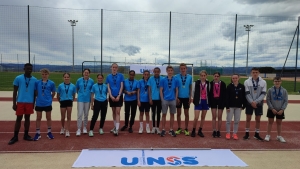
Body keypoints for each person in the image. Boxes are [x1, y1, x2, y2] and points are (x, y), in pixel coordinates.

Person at [9, 63, 37, 145]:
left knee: (27, 118)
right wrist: (14, 103)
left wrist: (33, 103)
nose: (29, 70)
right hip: (20, 101)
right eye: (28, 68)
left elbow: (35, 94)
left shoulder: (34, 80)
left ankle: (26, 134)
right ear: (24, 69)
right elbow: (15, 92)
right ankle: (15, 136)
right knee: (18, 119)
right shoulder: (18, 78)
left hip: (29, 102)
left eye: (31, 69)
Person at [243, 67, 267, 141]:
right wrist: (251, 102)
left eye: (256, 72)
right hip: (249, 103)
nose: (255, 74)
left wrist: (256, 102)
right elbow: (246, 93)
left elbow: (263, 93)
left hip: (258, 103)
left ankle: (257, 134)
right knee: (248, 118)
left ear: (259, 73)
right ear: (251, 73)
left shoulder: (263, 82)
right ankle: (247, 133)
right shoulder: (247, 82)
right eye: (253, 72)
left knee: (258, 119)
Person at [33, 68, 56, 141]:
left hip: (47, 103)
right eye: (43, 74)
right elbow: (35, 92)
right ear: (41, 74)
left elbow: (53, 92)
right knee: (38, 117)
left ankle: (49, 132)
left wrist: (49, 99)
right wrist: (39, 97)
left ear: (48, 75)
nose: (44, 75)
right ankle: (37, 133)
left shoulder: (51, 83)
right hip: (39, 103)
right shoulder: (37, 82)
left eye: (46, 74)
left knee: (48, 117)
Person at [265, 77, 288, 143]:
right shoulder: (270, 90)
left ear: (281, 82)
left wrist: (282, 109)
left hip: (280, 109)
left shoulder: (284, 90)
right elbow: (268, 100)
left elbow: (286, 101)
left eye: (278, 81)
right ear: (273, 82)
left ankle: (279, 136)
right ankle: (268, 135)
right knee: (270, 122)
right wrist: (272, 108)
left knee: (279, 122)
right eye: (275, 81)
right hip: (271, 109)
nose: (277, 82)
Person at [159, 65, 179, 137]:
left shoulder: (176, 79)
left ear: (173, 71)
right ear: (166, 71)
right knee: (164, 114)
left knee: (172, 115)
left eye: (171, 70)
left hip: (172, 99)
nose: (170, 72)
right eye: (168, 70)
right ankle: (163, 129)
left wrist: (176, 98)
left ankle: (171, 129)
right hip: (165, 100)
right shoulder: (163, 80)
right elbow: (161, 90)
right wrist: (162, 99)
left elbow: (176, 90)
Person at [225, 74, 246, 140]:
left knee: (236, 120)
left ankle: (235, 133)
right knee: (228, 120)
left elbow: (243, 97)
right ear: (232, 79)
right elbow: (227, 97)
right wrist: (227, 106)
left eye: (236, 78)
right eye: (233, 78)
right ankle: (228, 133)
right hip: (230, 106)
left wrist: (244, 105)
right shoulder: (229, 86)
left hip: (238, 106)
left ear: (238, 78)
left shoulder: (242, 86)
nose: (235, 79)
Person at [106, 63, 124, 136]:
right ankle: (114, 126)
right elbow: (108, 87)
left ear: (117, 68)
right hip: (112, 96)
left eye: (116, 67)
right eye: (113, 67)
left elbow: (121, 86)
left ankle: (117, 129)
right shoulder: (108, 76)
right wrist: (110, 96)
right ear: (111, 68)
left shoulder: (121, 76)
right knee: (113, 111)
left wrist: (119, 95)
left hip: (119, 96)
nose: (114, 68)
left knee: (118, 112)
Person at [191, 70, 210, 137]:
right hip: (198, 101)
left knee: (203, 117)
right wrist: (195, 99)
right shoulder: (195, 83)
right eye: (202, 75)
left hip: (205, 101)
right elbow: (192, 92)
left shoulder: (208, 83)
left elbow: (209, 92)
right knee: (196, 117)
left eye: (204, 75)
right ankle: (193, 130)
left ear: (206, 76)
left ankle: (200, 130)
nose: (203, 77)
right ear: (200, 76)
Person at [175, 63, 193, 136]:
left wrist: (190, 97)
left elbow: (191, 88)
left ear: (186, 69)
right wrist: (176, 97)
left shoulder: (190, 77)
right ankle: (179, 128)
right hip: (179, 98)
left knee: (186, 114)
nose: (183, 70)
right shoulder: (176, 77)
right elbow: (175, 88)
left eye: (184, 68)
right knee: (179, 113)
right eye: (181, 68)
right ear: (180, 69)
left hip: (186, 98)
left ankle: (186, 128)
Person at [57, 73, 76, 137]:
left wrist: (71, 100)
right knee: (63, 117)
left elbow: (74, 95)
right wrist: (60, 101)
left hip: (69, 101)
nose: (66, 78)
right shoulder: (60, 85)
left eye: (67, 77)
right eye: (65, 77)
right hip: (62, 101)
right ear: (63, 78)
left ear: (70, 78)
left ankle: (67, 130)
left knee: (68, 117)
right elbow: (58, 95)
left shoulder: (73, 86)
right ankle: (62, 128)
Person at [76, 68, 94, 136]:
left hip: (88, 100)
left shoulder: (91, 81)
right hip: (80, 99)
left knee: (86, 114)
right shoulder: (79, 80)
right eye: (85, 72)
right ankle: (78, 129)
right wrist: (81, 94)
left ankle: (84, 127)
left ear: (89, 74)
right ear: (83, 73)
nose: (86, 74)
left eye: (87, 73)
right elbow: (77, 88)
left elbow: (92, 90)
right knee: (80, 114)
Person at [209, 72, 226, 138]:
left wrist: (224, 102)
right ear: (213, 76)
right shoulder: (210, 83)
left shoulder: (223, 84)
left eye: (217, 76)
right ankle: (214, 130)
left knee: (219, 117)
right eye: (215, 76)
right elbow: (209, 93)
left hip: (220, 101)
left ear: (219, 77)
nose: (216, 77)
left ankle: (218, 131)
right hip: (213, 101)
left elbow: (225, 94)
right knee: (214, 116)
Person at [148, 67, 162, 134]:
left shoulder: (162, 79)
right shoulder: (150, 79)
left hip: (160, 99)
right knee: (153, 113)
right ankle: (153, 127)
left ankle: (158, 127)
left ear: (160, 72)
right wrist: (150, 98)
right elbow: (149, 89)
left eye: (157, 72)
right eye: (155, 72)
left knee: (158, 113)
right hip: (153, 99)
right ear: (153, 72)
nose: (156, 73)